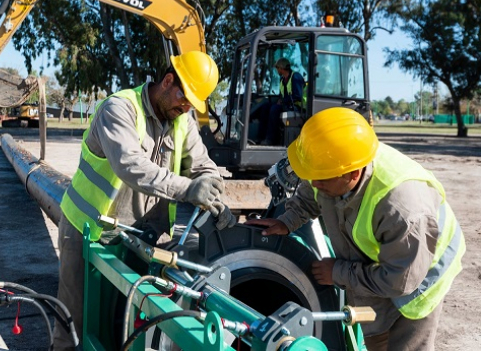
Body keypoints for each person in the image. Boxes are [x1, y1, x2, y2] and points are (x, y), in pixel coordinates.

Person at [54, 51, 235, 350]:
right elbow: (131, 166)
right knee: (75, 321)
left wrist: (214, 195)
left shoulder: (183, 120)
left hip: (141, 237)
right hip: (87, 231)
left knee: (121, 320)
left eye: (192, 103)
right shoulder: (119, 109)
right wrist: (188, 190)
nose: (186, 106)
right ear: (167, 81)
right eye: (184, 97)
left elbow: (202, 164)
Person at [247, 107, 465, 351]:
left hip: (419, 271)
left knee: (405, 342)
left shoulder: (402, 208)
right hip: (383, 261)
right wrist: (287, 221)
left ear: (353, 173)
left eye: (320, 178)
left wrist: (338, 272)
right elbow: (311, 195)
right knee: (375, 333)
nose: (314, 182)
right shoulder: (330, 166)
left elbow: (400, 281)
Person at [255, 57, 305, 145]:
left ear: (281, 68)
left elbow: (298, 96)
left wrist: (283, 101)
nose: (277, 70)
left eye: (277, 68)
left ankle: (271, 140)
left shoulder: (295, 77)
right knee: (265, 107)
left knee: (274, 110)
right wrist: (280, 100)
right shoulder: (282, 80)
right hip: (286, 105)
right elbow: (282, 95)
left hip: (295, 107)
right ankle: (260, 138)